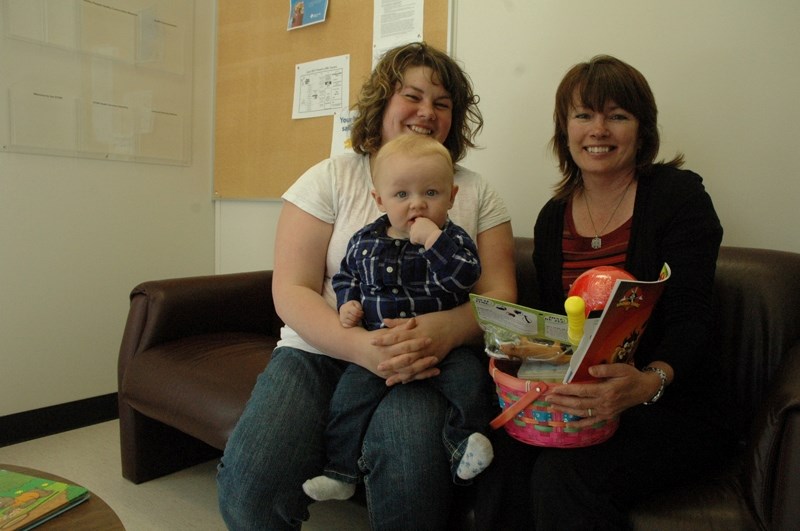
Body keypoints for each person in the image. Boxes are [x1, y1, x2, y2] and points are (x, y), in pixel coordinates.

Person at [216, 41, 515, 530]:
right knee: (250, 489)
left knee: (410, 473)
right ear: (382, 103)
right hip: (317, 351)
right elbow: (291, 289)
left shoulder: (475, 191)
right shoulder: (330, 177)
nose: (427, 112)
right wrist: (358, 346)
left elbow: (501, 296)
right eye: (413, 96)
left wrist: (445, 330)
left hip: (422, 359)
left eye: (442, 103)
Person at [476, 55, 733, 530]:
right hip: (583, 406)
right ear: (564, 129)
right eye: (583, 115)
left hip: (668, 402)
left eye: (617, 116)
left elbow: (692, 317)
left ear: (642, 130)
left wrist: (648, 382)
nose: (599, 130)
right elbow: (562, 332)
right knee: (499, 458)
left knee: (562, 474)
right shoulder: (553, 217)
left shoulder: (678, 196)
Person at [302, 134, 495, 503]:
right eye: (402, 195)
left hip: (443, 348)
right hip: (380, 346)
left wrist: (434, 242)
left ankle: (463, 448)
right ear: (380, 199)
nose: (417, 205)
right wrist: (347, 303)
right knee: (347, 400)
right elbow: (347, 276)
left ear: (452, 197)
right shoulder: (364, 241)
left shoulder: (453, 240)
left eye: (432, 194)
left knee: (472, 383)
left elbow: (465, 278)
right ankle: (340, 473)